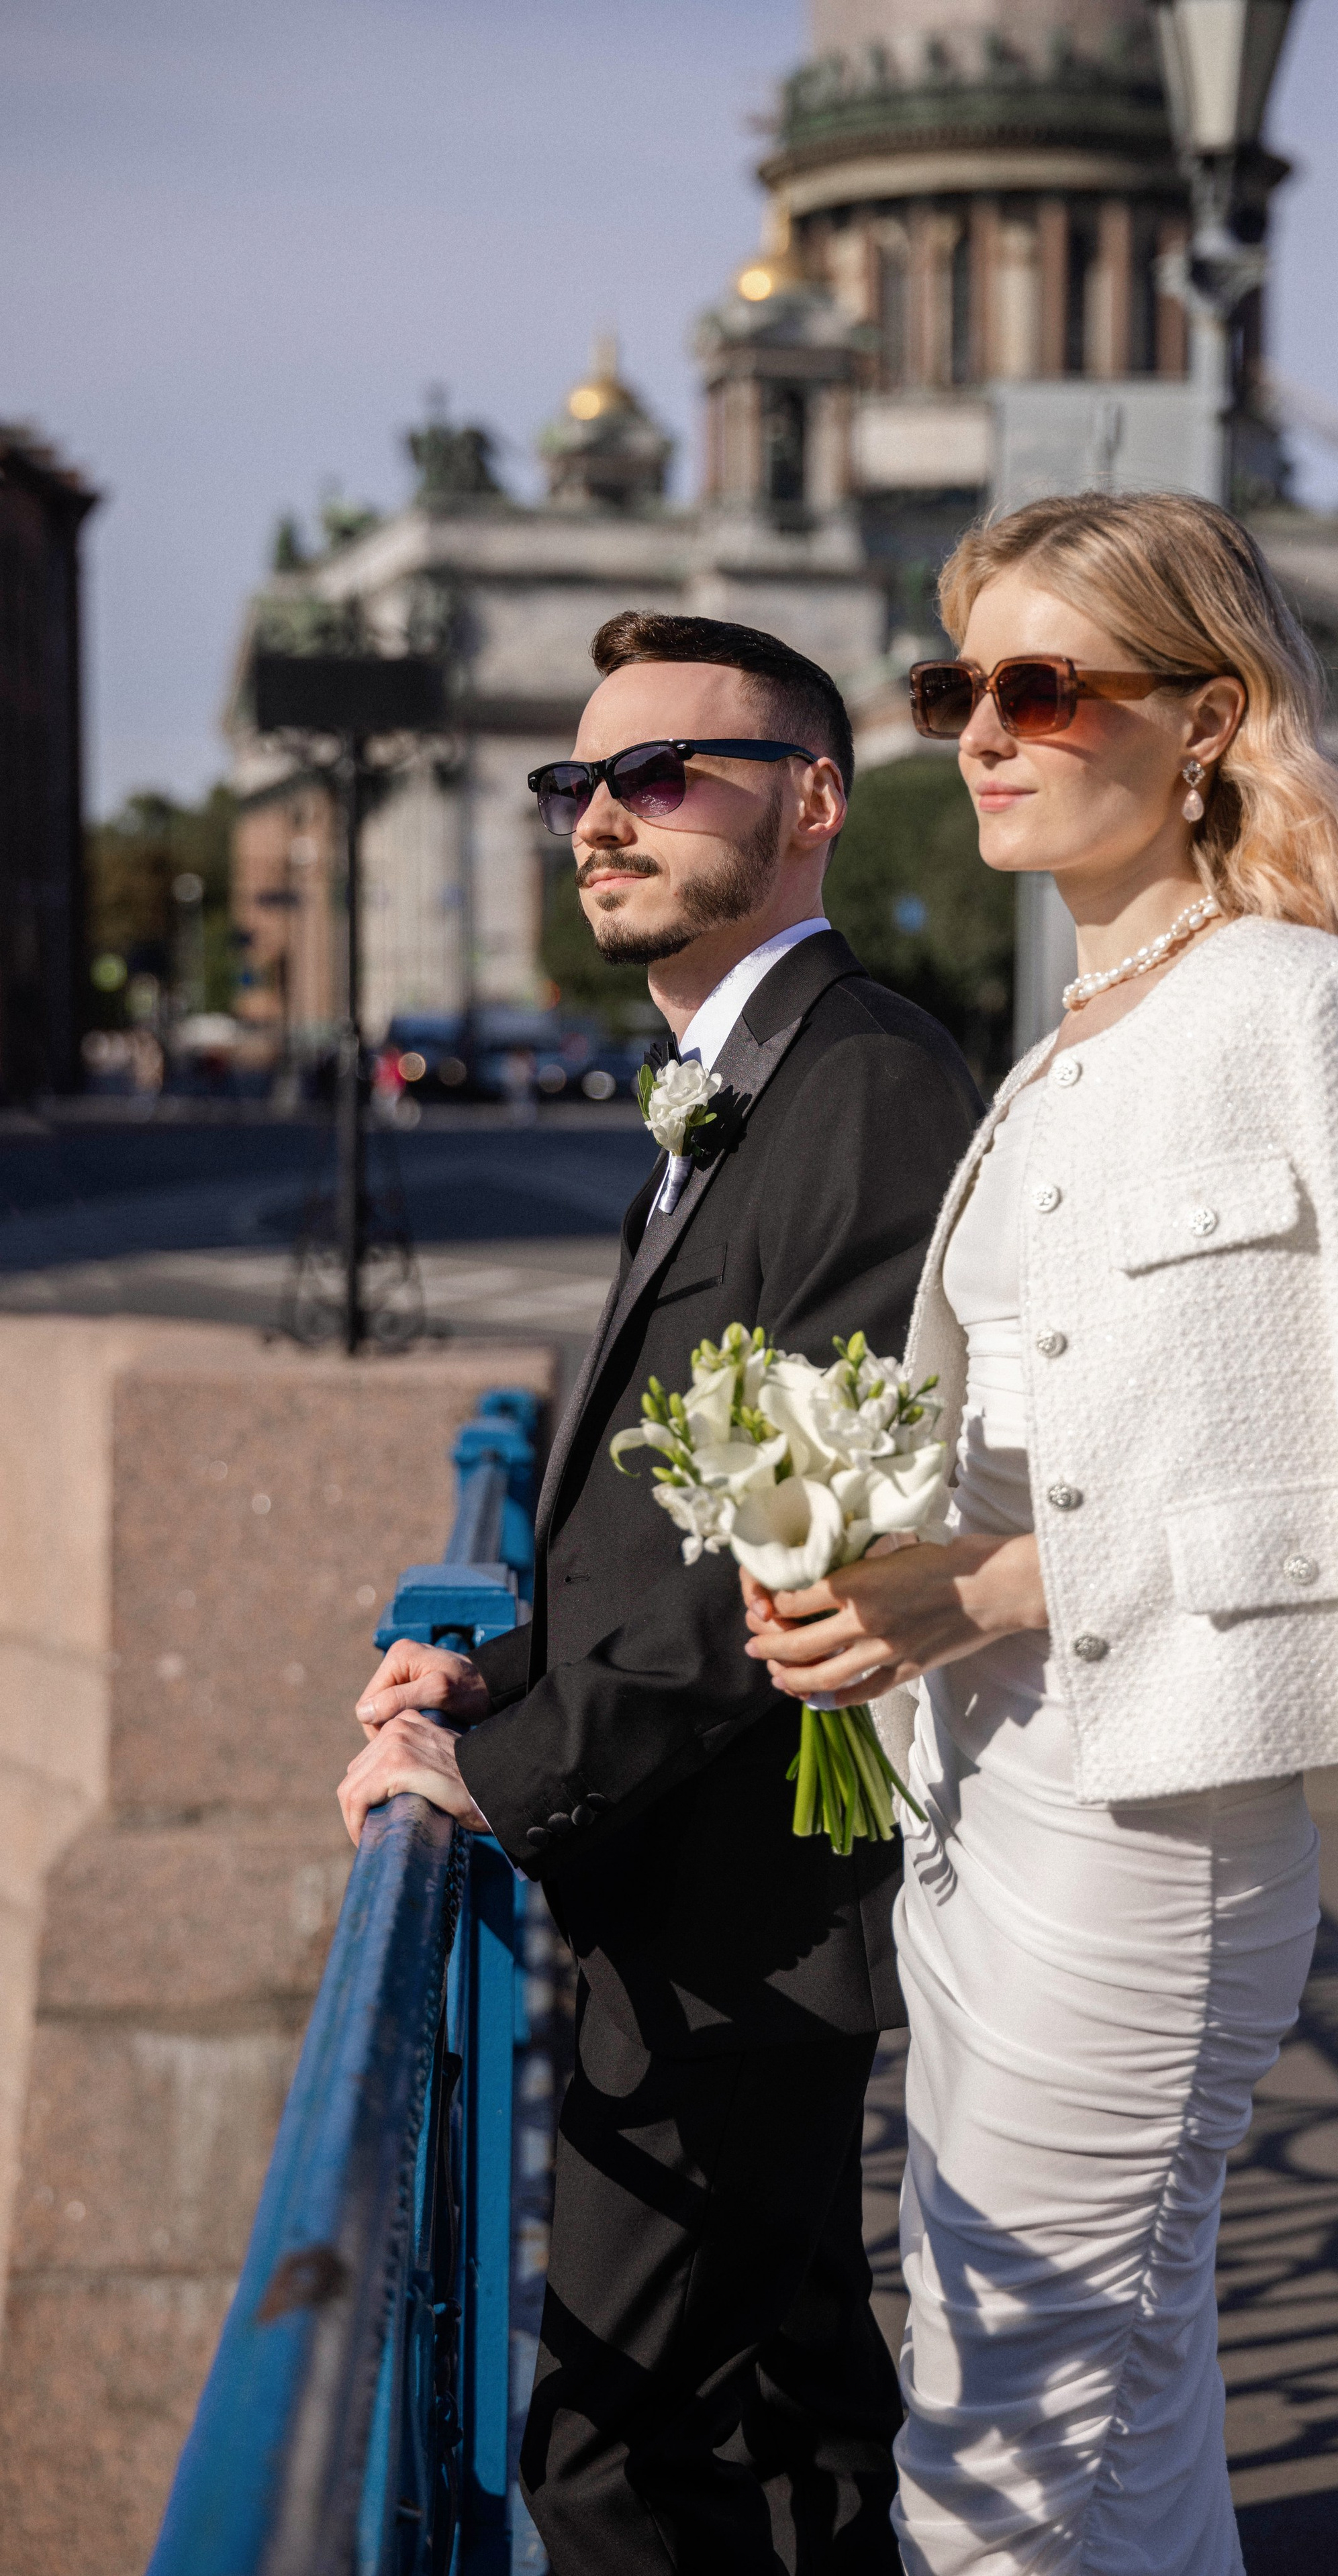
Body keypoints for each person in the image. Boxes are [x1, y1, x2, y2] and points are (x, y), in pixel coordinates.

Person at [743, 491, 1338, 2575]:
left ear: (1208, 719)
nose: (984, 735)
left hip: (1159, 1828)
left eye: (1043, 687)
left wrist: (1012, 1583)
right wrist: (870, 1552)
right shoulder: (1068, 1045)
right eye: (957, 689)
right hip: (976, 1791)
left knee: (1012, 2435)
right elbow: (1056, 1423)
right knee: (1112, 2403)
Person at [339, 611, 983, 2575]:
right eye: (574, 785)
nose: (597, 820)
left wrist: (508, 1761)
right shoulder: (738, 1076)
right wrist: (488, 1673)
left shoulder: (860, 1083)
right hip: (692, 1870)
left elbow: (782, 1537)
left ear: (809, 802)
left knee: (611, 2465)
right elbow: (663, 1498)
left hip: (748, 1903)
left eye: (653, 777)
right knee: (791, 2426)